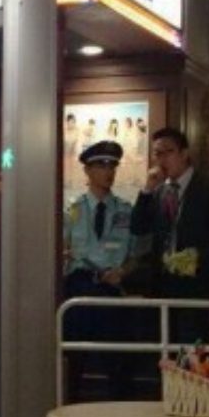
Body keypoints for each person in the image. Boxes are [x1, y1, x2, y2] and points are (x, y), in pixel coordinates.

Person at [130, 127, 209, 342]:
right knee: (164, 349)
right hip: (162, 286)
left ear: (184, 153)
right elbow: (138, 227)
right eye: (157, 153)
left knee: (194, 349)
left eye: (168, 152)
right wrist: (147, 190)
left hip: (198, 286)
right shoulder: (159, 191)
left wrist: (195, 259)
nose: (162, 159)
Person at [63, 141, 146, 401]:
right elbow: (62, 250)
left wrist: (123, 271)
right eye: (101, 166)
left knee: (118, 362)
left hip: (112, 290)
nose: (108, 172)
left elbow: (136, 253)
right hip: (80, 289)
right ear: (87, 171)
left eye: (112, 166)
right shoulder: (71, 210)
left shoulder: (126, 211)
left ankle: (120, 416)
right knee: (73, 361)